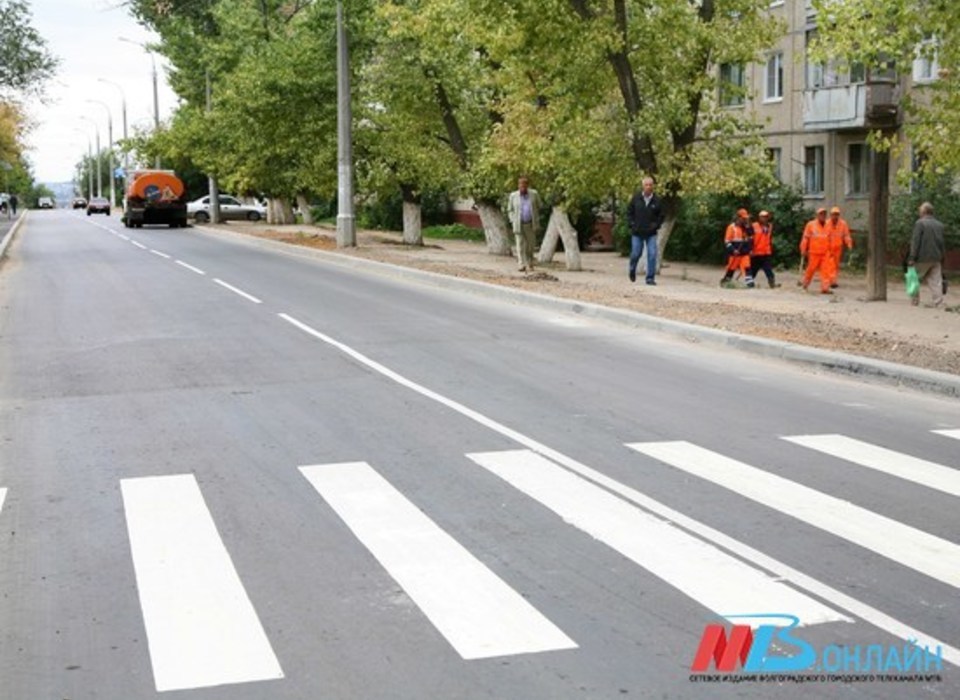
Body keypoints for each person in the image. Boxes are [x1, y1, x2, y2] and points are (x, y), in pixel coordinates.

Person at [626, 176, 665, 284]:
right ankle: (632, 268)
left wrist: (656, 225)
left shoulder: (657, 200)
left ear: (653, 186)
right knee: (635, 253)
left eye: (650, 185)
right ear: (643, 186)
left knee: (652, 254)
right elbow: (629, 212)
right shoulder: (636, 198)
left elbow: (661, 216)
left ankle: (650, 278)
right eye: (646, 185)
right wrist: (632, 224)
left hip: (651, 233)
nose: (648, 187)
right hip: (637, 232)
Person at [907, 201, 946, 308]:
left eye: (920, 210)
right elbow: (942, 242)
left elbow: (916, 242)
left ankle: (914, 301)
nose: (919, 212)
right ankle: (938, 302)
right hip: (936, 257)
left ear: (924, 211)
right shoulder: (940, 225)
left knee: (913, 278)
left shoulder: (920, 223)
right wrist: (942, 257)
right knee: (936, 281)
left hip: (922, 257)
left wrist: (912, 257)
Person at [507, 176, 543, 272]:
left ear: (527, 185)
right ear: (518, 186)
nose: (522, 187)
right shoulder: (513, 195)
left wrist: (535, 215)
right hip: (518, 224)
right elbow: (510, 210)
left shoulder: (534, 194)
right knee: (520, 245)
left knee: (530, 245)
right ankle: (521, 264)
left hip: (530, 224)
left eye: (524, 185)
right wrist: (512, 220)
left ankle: (530, 263)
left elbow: (540, 205)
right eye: (520, 185)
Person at [800, 207, 834, 294]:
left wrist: (831, 251)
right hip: (814, 252)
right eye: (821, 214)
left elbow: (830, 239)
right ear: (817, 215)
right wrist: (803, 248)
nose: (823, 216)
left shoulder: (828, 225)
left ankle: (825, 288)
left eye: (824, 214)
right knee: (811, 269)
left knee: (826, 271)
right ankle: (805, 284)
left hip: (825, 253)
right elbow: (805, 238)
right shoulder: (810, 225)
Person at [720, 209, 754, 287]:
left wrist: (748, 224)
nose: (745, 220)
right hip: (735, 253)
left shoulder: (746, 227)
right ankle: (726, 281)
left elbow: (751, 234)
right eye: (743, 218)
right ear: (738, 218)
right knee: (731, 269)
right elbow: (727, 241)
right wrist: (733, 250)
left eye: (746, 218)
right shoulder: (731, 227)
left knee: (747, 267)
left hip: (744, 252)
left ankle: (750, 284)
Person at [750, 210, 779, 288]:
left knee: (768, 269)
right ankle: (749, 283)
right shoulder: (754, 226)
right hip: (756, 252)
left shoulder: (770, 226)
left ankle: (772, 283)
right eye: (763, 217)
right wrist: (750, 249)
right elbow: (750, 239)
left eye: (766, 217)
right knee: (753, 269)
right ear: (759, 218)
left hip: (766, 252)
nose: (765, 219)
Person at [825, 206, 852, 288]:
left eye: (837, 214)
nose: (835, 216)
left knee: (836, 265)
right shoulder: (826, 224)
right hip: (828, 248)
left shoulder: (843, 224)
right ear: (830, 215)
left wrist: (849, 244)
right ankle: (832, 281)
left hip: (838, 248)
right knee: (830, 264)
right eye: (834, 214)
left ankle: (832, 280)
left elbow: (846, 235)